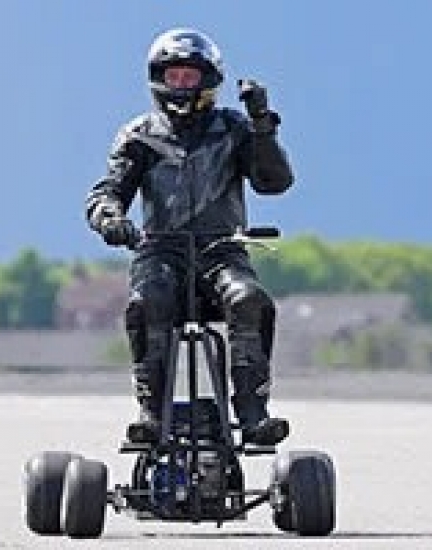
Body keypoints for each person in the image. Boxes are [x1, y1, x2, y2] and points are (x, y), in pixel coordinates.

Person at [85, 28, 294, 446]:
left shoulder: (235, 129)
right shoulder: (138, 135)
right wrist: (109, 218)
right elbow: (107, 191)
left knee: (248, 299)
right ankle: (150, 413)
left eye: (189, 77)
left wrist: (262, 126)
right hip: (160, 252)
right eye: (173, 76)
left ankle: (253, 413)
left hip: (223, 251)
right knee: (148, 301)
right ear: (159, 79)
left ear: (209, 79)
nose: (180, 86)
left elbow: (274, 182)